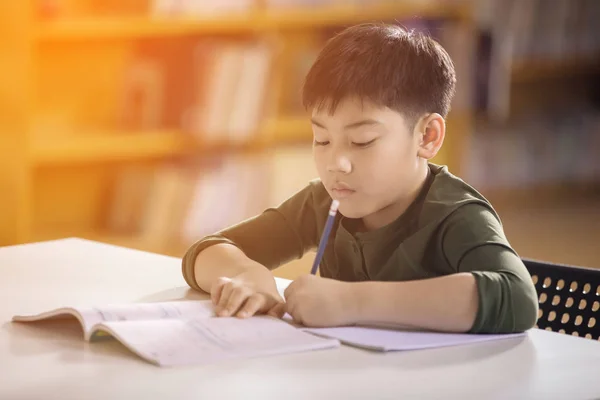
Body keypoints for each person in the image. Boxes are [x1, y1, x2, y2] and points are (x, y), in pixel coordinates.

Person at [180, 23, 539, 334]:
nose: (337, 163)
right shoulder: (325, 201)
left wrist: (353, 301)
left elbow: (518, 298)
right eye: (321, 139)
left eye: (361, 141)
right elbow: (204, 252)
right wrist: (248, 274)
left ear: (427, 136)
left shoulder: (456, 215)